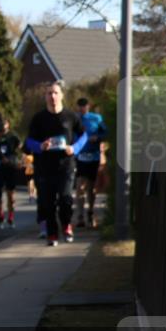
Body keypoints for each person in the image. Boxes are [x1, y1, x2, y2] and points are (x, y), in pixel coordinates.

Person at [26, 81, 87, 246]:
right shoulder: (39, 118)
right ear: (45, 97)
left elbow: (84, 136)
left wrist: (74, 148)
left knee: (65, 198)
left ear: (61, 95)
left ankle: (66, 225)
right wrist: (40, 146)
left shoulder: (71, 116)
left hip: (66, 165)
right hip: (45, 167)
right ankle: (52, 235)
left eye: (55, 93)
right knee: (48, 202)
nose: (52, 96)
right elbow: (29, 141)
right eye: (49, 93)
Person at [75, 97, 107, 228]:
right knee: (79, 186)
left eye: (84, 106)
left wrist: (98, 137)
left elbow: (106, 132)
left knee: (91, 188)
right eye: (80, 106)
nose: (82, 109)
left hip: (93, 157)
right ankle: (80, 216)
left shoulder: (96, 118)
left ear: (88, 106)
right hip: (79, 156)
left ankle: (90, 212)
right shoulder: (75, 119)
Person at [0, 117, 24, 228]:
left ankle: (10, 217)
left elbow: (21, 147)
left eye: (5, 124)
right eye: (1, 124)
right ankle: (0, 216)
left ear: (8, 124)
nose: (3, 126)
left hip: (11, 167)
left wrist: (20, 159)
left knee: (10, 195)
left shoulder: (13, 137)